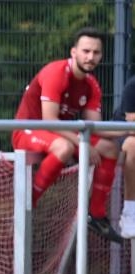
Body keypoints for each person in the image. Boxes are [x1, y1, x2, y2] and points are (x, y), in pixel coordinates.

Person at [11, 27, 127, 244]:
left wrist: (128, 129)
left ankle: (97, 214)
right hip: (30, 130)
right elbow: (49, 120)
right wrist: (84, 145)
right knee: (63, 147)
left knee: (110, 148)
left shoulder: (91, 85)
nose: (90, 57)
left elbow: (95, 127)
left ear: (101, 56)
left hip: (62, 134)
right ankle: (29, 201)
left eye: (96, 53)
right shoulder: (56, 73)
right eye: (85, 51)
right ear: (74, 52)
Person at [113, 76, 135, 238]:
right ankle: (129, 212)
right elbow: (131, 123)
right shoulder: (133, 85)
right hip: (124, 131)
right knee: (133, 145)